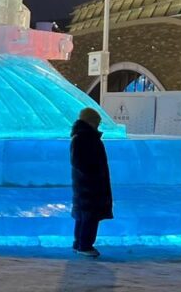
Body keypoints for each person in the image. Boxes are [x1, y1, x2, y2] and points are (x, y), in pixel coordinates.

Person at [70, 107, 113, 257]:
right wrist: (94, 175)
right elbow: (80, 162)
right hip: (89, 185)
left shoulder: (82, 137)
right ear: (90, 121)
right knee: (90, 216)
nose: (98, 125)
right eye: (97, 122)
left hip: (85, 185)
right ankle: (85, 245)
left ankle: (79, 243)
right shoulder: (84, 138)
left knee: (83, 215)